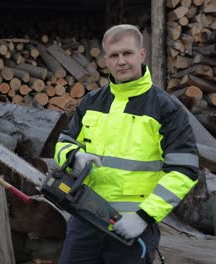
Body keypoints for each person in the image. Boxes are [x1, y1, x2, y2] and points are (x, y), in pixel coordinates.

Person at [54, 24, 199, 264]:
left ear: (141, 55)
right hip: (86, 217)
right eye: (114, 55)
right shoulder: (91, 102)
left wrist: (144, 216)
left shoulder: (165, 108)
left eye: (127, 53)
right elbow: (64, 142)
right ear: (106, 61)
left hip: (132, 226)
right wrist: (74, 157)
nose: (121, 61)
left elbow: (185, 170)